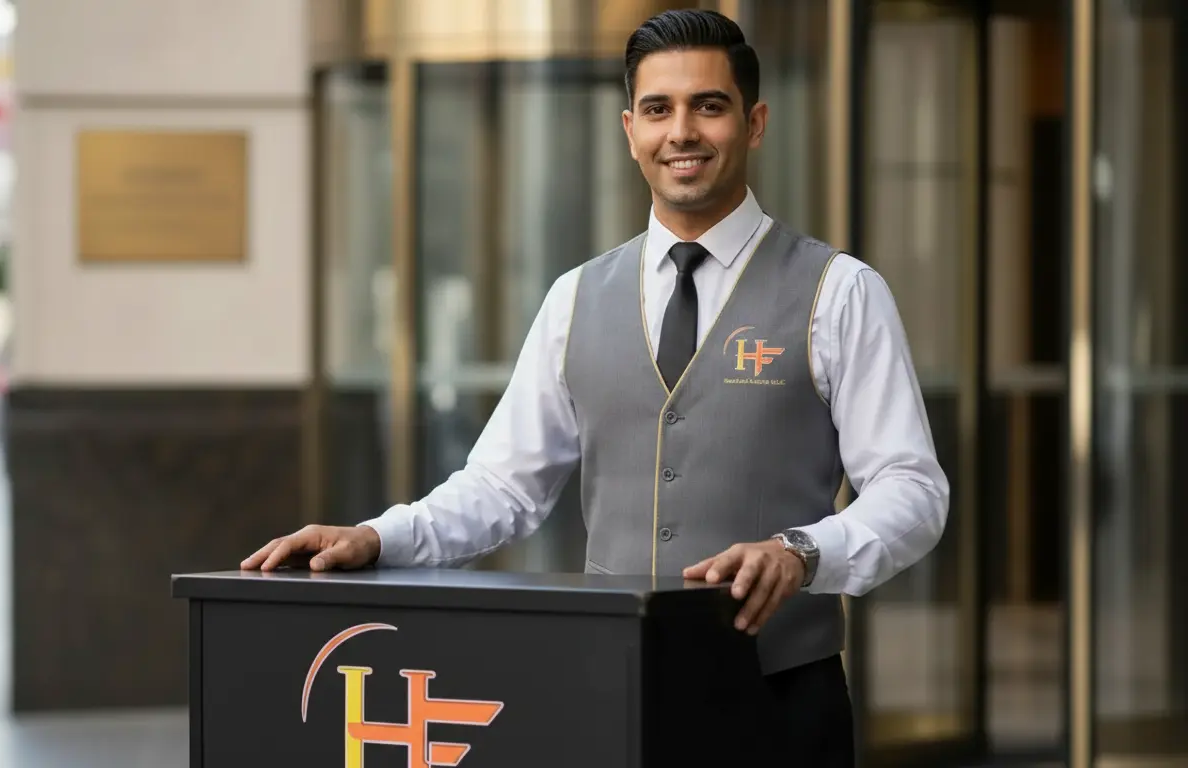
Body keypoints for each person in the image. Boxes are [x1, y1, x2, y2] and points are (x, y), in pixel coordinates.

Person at [243, 9, 947, 764]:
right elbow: (504, 488)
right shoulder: (574, 298)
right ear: (630, 130)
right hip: (607, 687)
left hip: (778, 698)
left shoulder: (839, 292)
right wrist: (378, 537)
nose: (682, 131)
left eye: (709, 106)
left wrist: (803, 552)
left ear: (755, 122)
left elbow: (913, 489)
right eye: (658, 109)